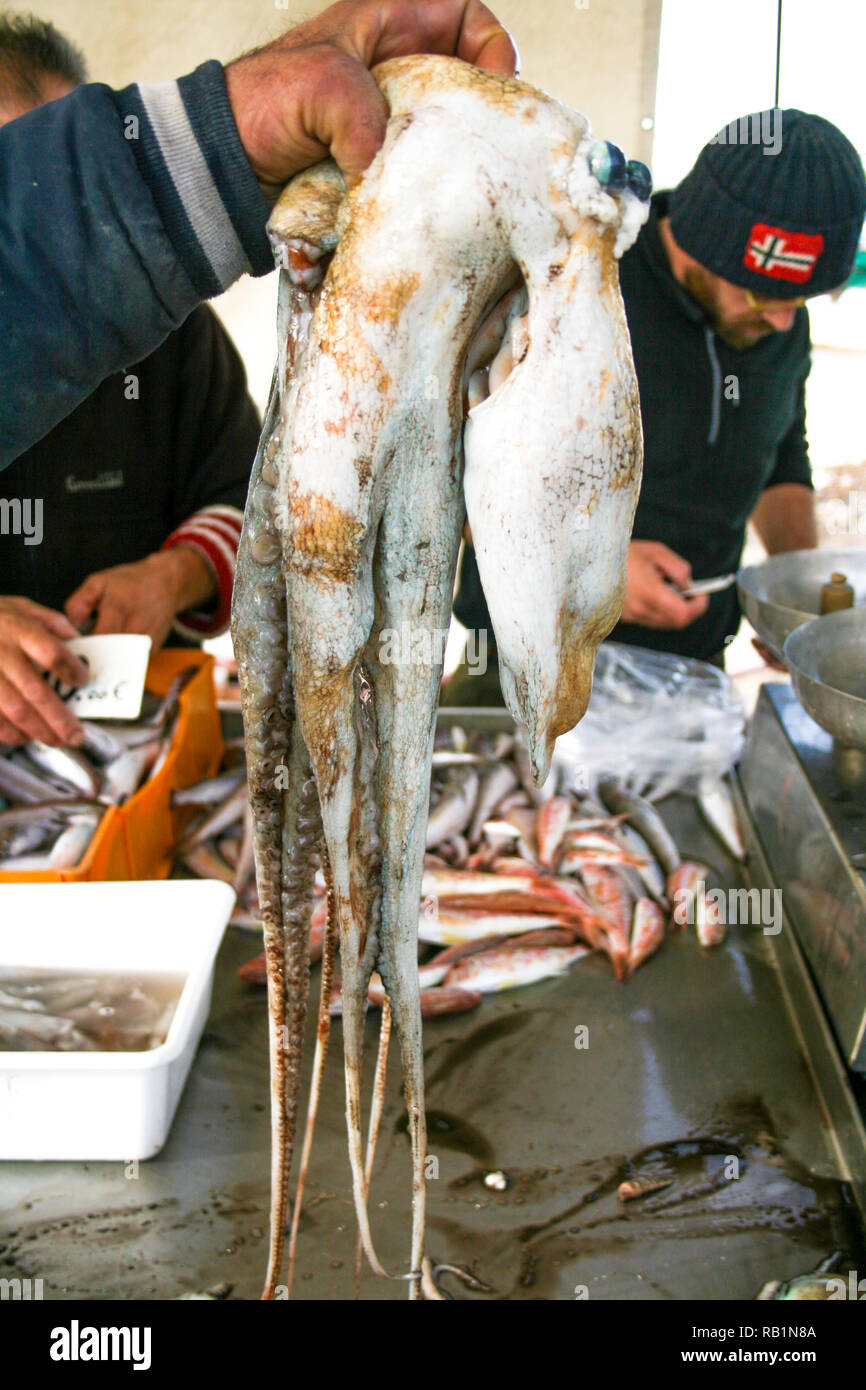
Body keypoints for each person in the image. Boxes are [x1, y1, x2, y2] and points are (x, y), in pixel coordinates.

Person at [445, 106, 866, 700]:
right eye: (764, 293)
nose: (781, 319)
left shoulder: (781, 328)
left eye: (804, 299)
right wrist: (594, 573)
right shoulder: (576, 286)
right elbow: (453, 474)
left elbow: (781, 459)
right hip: (523, 663)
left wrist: (792, 594)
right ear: (704, 243)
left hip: (688, 675)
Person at [0, 0, 518, 467]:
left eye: (37, 156)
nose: (39, 178)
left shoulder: (180, 344)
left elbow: (232, 478)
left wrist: (190, 559)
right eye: (17, 159)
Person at [0, 15, 262, 748]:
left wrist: (174, 575)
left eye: (69, 183)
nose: (56, 228)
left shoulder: (172, 335)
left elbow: (259, 505)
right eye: (16, 196)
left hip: (141, 733)